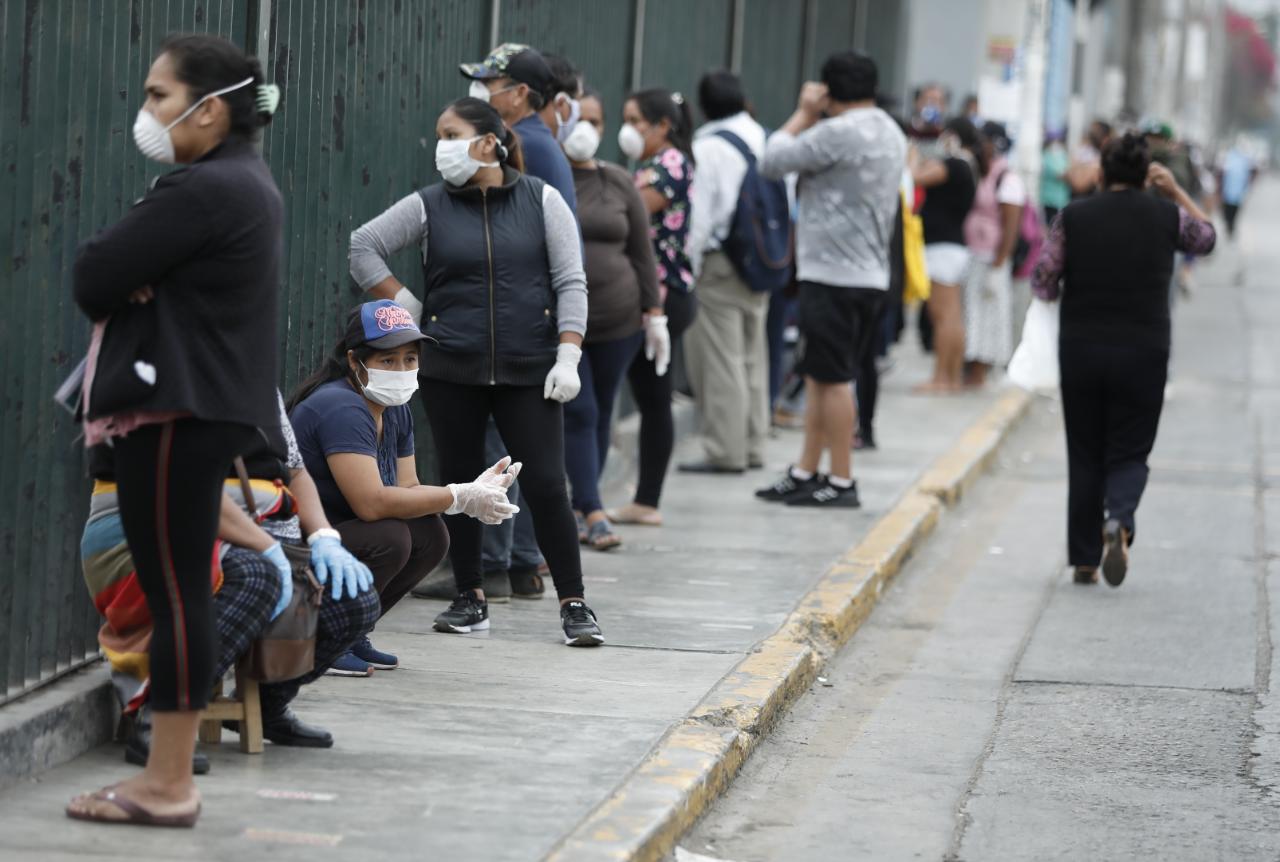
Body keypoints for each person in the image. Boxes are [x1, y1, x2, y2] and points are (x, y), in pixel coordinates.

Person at [66, 33, 282, 827]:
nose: (148, 111)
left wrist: (135, 280)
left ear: (209, 108)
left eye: (160, 95)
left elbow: (93, 274)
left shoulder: (202, 190)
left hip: (175, 409)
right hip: (202, 406)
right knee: (183, 587)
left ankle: (165, 784)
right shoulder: (240, 184)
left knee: (177, 593)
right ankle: (166, 780)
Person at [349, 98, 604, 646]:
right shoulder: (429, 205)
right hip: (451, 368)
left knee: (545, 484)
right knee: (462, 483)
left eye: (450, 133)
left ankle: (575, 602)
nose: (440, 144)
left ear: (488, 142)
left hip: (530, 370)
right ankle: (471, 598)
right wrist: (407, 306)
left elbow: (571, 281)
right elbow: (363, 246)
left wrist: (568, 352)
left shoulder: (542, 199)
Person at [1031, 133, 1216, 587]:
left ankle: (1085, 559)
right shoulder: (1167, 215)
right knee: (1131, 449)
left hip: (1082, 348)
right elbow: (1207, 239)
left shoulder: (1073, 217)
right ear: (1146, 173)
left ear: (1103, 171)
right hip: (1144, 349)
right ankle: (1120, 517)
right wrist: (1174, 191)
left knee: (1086, 450)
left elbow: (1043, 280)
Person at [289, 301, 512, 646]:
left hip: (344, 534)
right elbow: (371, 505)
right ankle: (326, 640)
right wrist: (460, 495)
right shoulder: (341, 406)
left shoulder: (394, 410)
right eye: (387, 360)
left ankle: (353, 631)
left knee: (430, 533)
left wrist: (468, 494)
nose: (401, 369)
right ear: (354, 360)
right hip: (302, 543)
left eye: (410, 359)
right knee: (391, 537)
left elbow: (408, 487)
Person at [754, 51, 906, 508]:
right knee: (822, 376)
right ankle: (807, 470)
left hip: (833, 275)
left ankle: (841, 480)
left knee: (835, 379)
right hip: (869, 274)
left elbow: (772, 160)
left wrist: (803, 112)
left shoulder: (836, 131)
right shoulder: (891, 130)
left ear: (829, 91)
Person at [459, 43, 578, 601]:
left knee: (509, 454)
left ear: (520, 94)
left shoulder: (525, 145)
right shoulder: (541, 142)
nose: (484, 93)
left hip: (518, 329)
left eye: (493, 84)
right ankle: (519, 562)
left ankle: (499, 561)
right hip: (526, 323)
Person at [562, 91, 665, 550]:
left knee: (602, 411)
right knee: (580, 411)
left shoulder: (619, 180)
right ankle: (591, 509)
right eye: (579, 119)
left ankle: (586, 505)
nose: (587, 128)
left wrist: (655, 311)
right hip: (565, 324)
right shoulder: (546, 176)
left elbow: (642, 251)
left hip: (619, 321)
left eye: (596, 121)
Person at [605, 87, 698, 527]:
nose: (628, 130)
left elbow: (629, 214)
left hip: (660, 297)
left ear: (662, 126)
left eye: (636, 121)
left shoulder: (671, 163)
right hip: (654, 295)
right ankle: (645, 499)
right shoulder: (651, 164)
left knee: (653, 399)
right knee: (651, 397)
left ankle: (646, 500)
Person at [680, 70, 772, 475]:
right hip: (760, 260)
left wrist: (689, 264)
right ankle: (752, 445)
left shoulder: (708, 146)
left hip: (720, 262)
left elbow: (699, 217)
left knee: (720, 359)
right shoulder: (764, 137)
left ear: (704, 106)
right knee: (753, 356)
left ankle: (725, 450)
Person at [913, 117, 980, 392]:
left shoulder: (955, 165)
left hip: (942, 247)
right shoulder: (968, 166)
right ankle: (951, 377)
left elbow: (915, 177)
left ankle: (941, 377)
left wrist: (913, 157)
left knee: (942, 315)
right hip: (952, 247)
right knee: (951, 315)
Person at [961, 121, 1026, 388]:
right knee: (972, 313)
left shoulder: (1007, 178)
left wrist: (999, 263)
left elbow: (1011, 225)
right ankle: (969, 368)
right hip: (973, 253)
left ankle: (980, 372)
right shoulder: (979, 171)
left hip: (993, 258)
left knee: (989, 315)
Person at [1218, 139, 1255, 243]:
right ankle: (1228, 225)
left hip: (1238, 191)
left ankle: (1231, 227)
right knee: (1227, 210)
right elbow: (1223, 172)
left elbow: (1249, 176)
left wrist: (1247, 188)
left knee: (1234, 211)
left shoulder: (1246, 160)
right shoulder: (1229, 157)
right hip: (1228, 189)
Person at [1067, 119, 1111, 199]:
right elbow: (1077, 182)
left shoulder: (1109, 152)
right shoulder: (1082, 150)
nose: (1092, 133)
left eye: (1096, 131)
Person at [1040, 130, 1070, 224]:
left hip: (1062, 199)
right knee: (1051, 223)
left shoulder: (1063, 156)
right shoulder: (1046, 156)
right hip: (1050, 199)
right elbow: (1060, 174)